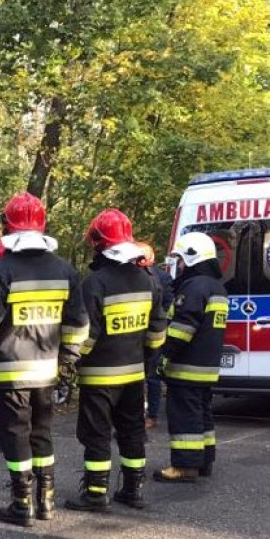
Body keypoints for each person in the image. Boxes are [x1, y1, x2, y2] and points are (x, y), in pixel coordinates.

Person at [0, 192, 88, 525]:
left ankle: (22, 504)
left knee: (15, 434)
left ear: (7, 226)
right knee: (42, 432)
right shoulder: (65, 270)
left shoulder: (1, 270)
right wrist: (66, 360)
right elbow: (79, 324)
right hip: (47, 370)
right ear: (42, 224)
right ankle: (46, 502)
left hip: (10, 371)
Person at [64, 210, 167, 513]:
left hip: (98, 377)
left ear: (98, 243)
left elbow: (86, 333)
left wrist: (71, 362)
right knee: (132, 430)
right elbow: (157, 328)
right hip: (134, 374)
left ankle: (96, 494)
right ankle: (132, 489)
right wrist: (146, 357)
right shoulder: (149, 279)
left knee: (96, 433)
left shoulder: (95, 283)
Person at [154, 232, 229, 482]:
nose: (180, 265)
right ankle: (204, 460)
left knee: (184, 415)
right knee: (202, 414)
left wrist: (164, 355)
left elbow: (183, 327)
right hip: (206, 367)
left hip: (187, 366)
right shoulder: (217, 287)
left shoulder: (194, 286)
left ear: (192, 257)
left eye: (182, 259)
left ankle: (185, 467)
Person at [138, 243, 174, 429]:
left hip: (143, 333)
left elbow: (166, 307)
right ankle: (148, 415)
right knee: (150, 376)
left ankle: (151, 415)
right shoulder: (164, 278)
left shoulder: (160, 278)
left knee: (149, 377)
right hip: (152, 332)